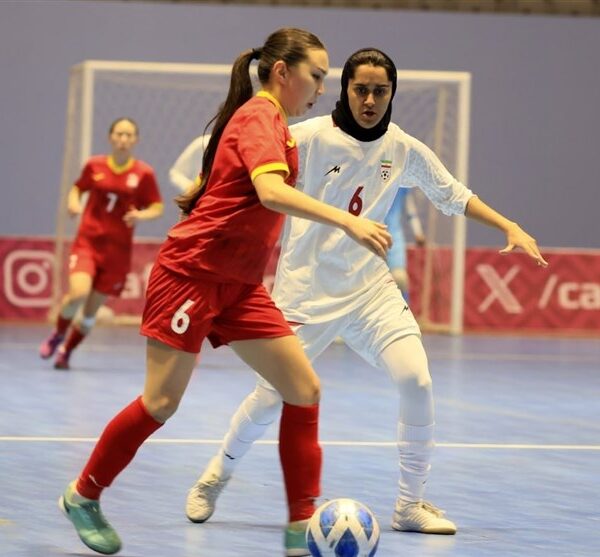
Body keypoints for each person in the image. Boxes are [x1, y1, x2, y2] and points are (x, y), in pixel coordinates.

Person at [184, 48, 548, 537]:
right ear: (344, 90)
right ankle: (216, 475)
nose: (370, 100)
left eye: (380, 91)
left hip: (370, 292)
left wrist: (510, 225)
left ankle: (410, 504)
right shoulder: (308, 138)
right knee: (271, 398)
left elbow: (453, 194)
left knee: (417, 380)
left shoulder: (402, 148)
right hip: (306, 293)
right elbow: (252, 170)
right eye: (361, 89)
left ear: (392, 93)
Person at [58, 29, 392, 557]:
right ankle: (83, 495)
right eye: (318, 76)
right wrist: (345, 223)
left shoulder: (275, 122)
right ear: (283, 72)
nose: (323, 89)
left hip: (238, 285)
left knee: (303, 388)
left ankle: (299, 526)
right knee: (161, 403)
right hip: (191, 275)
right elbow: (270, 191)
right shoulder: (260, 116)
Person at [39, 117, 164, 370]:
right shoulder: (94, 165)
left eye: (129, 135)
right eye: (119, 134)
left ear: (135, 140)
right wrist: (73, 203)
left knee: (89, 313)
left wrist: (141, 215)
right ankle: (58, 334)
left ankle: (67, 351)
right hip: (88, 242)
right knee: (78, 294)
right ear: (110, 137)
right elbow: (77, 189)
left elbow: (157, 206)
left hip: (117, 252)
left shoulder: (143, 173)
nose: (123, 139)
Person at [385, 188, 425, 301]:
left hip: (394, 237)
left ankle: (404, 313)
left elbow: (410, 210)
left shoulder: (401, 184)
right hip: (370, 235)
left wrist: (418, 232)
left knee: (399, 278)